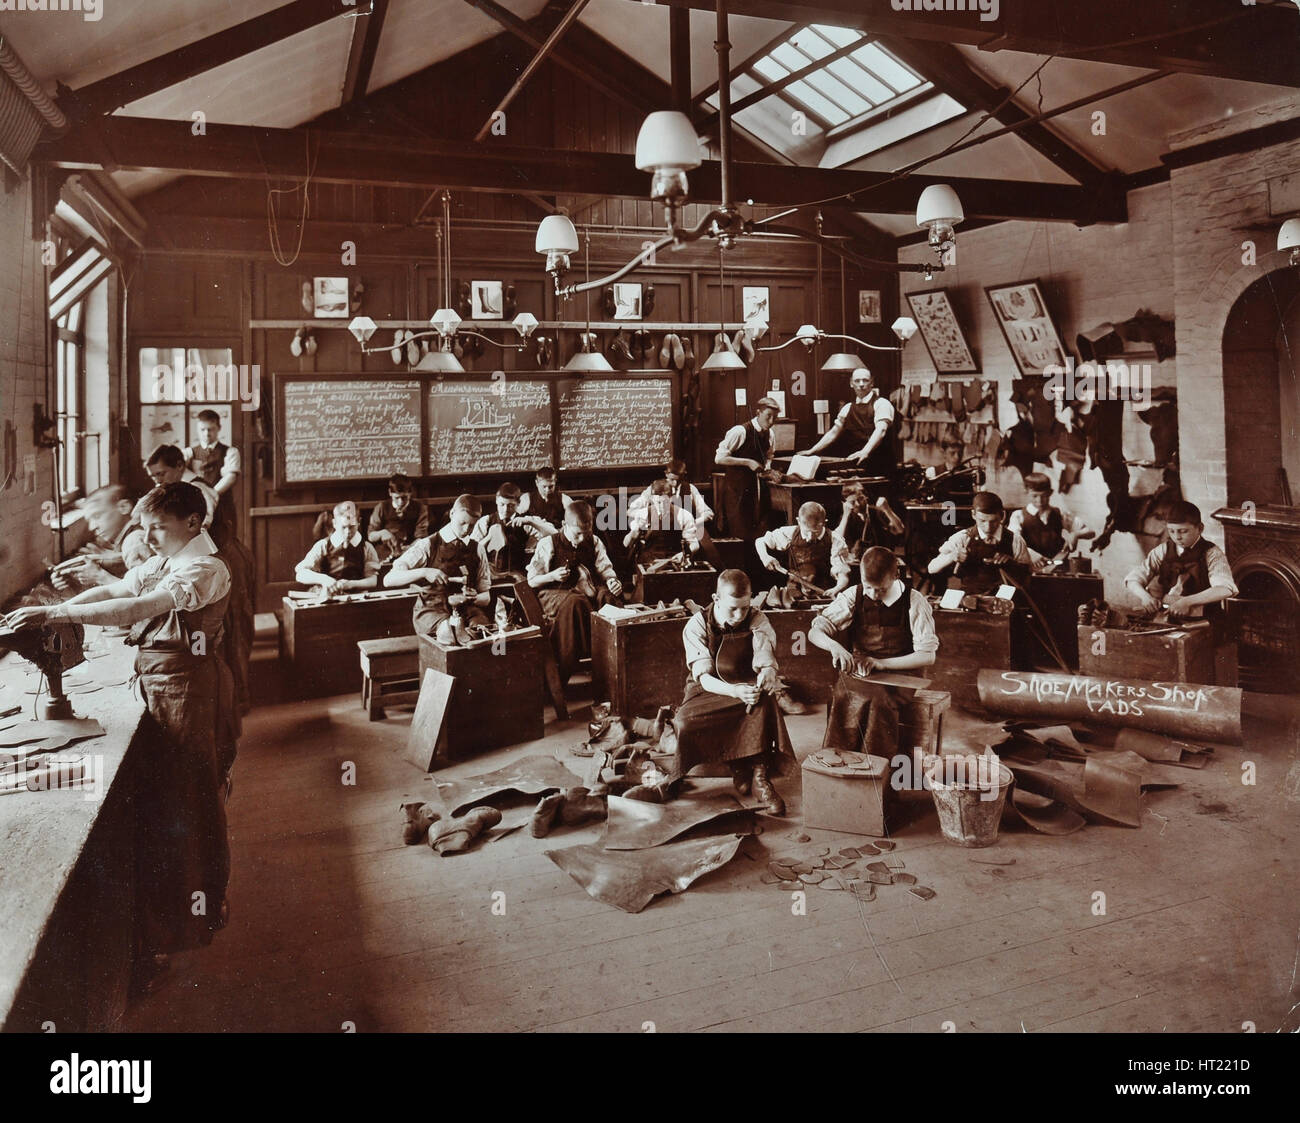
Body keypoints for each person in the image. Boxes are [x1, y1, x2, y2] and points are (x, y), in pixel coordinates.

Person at [4, 482, 237, 984]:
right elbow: (118, 591)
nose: (149, 538)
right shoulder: (167, 560)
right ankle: (170, 921)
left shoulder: (203, 567)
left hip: (188, 690)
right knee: (171, 803)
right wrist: (52, 608)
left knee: (190, 799)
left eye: (159, 528)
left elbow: (140, 608)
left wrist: (58, 612)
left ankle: (194, 917)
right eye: (146, 528)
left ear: (193, 524)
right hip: (162, 682)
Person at [668, 569, 797, 815]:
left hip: (745, 683)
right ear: (716, 599)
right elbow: (704, 678)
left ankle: (759, 777)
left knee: (765, 702)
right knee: (684, 721)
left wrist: (768, 671)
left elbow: (764, 651)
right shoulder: (696, 625)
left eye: (745, 607)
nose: (739, 615)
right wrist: (733, 691)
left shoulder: (757, 618)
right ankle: (737, 764)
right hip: (709, 688)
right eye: (732, 609)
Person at [810, 547, 939, 759]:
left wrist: (882, 664)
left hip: (903, 674)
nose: (873, 594)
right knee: (843, 695)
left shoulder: (914, 601)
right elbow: (816, 631)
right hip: (863, 670)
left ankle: (877, 774)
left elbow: (927, 656)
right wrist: (835, 646)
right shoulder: (855, 594)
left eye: (880, 589)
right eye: (868, 587)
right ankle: (841, 767)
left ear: (895, 576)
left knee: (879, 702)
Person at [527, 500, 623, 685]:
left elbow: (605, 570)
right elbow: (532, 580)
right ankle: (564, 672)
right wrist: (553, 576)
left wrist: (612, 581)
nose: (581, 539)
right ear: (564, 525)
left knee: (609, 598)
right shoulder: (549, 543)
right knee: (577, 603)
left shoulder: (594, 541)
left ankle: (610, 667)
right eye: (577, 534)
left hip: (587, 591)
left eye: (586, 533)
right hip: (553, 593)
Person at [386, 495, 491, 639]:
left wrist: (475, 597)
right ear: (452, 514)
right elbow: (389, 579)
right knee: (448, 633)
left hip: (465, 611)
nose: (466, 529)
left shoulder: (478, 549)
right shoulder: (428, 545)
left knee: (483, 633)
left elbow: (486, 597)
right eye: (463, 523)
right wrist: (424, 572)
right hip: (432, 611)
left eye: (472, 525)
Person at [1123, 500, 1237, 625]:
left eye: (1183, 531)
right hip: (1169, 619)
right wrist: (1145, 597)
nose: (1177, 537)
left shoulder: (1212, 553)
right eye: (1171, 531)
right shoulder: (1162, 550)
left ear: (1200, 528)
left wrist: (1186, 602)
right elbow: (1133, 579)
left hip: (1203, 621)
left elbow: (1225, 589)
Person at [798, 366, 900, 489]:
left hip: (882, 465)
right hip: (859, 465)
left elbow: (881, 430)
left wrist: (865, 452)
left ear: (872, 383)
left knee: (881, 503)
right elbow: (833, 432)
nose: (861, 384)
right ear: (851, 384)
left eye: (865, 380)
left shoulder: (882, 404)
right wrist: (812, 451)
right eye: (857, 381)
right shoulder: (847, 408)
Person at [928, 490, 1031, 594]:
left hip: (1004, 598)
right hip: (971, 597)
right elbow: (932, 568)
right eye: (982, 521)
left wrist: (1011, 563)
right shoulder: (963, 538)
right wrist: (952, 556)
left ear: (1002, 515)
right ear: (973, 514)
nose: (988, 528)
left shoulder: (1015, 540)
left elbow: (1027, 575)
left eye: (993, 521)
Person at [51, 484, 149, 590]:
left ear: (123, 507)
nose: (92, 527)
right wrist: (69, 578)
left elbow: (146, 592)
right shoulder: (126, 537)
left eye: (97, 516)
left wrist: (100, 576)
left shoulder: (134, 540)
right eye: (89, 521)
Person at [715, 397, 780, 546]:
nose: (771, 422)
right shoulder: (740, 431)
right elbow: (719, 458)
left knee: (759, 532)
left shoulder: (770, 434)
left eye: (774, 418)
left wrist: (768, 469)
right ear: (758, 413)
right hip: (736, 490)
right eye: (768, 416)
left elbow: (769, 456)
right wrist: (747, 462)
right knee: (740, 532)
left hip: (757, 490)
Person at [755, 501, 852, 596]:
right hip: (794, 588)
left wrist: (837, 588)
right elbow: (760, 541)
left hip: (825, 590)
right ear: (798, 521)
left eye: (816, 532)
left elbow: (842, 573)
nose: (810, 537)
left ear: (824, 523)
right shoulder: (790, 533)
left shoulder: (834, 539)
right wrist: (765, 557)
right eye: (806, 532)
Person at [1008, 472, 1094, 568]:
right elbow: (1013, 541)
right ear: (1026, 492)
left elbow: (1091, 532)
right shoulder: (1018, 516)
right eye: (1035, 496)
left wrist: (1075, 534)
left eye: (1044, 496)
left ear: (1050, 493)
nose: (1040, 500)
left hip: (1058, 568)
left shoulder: (1060, 513)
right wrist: (1030, 554)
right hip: (1030, 568)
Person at [294, 500, 381, 592]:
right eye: (343, 527)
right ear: (334, 523)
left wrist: (351, 584)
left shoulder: (366, 547)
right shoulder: (323, 545)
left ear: (359, 522)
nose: (348, 532)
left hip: (356, 596)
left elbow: (372, 580)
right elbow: (300, 575)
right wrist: (324, 579)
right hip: (326, 595)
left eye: (352, 526)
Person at [183, 409, 240, 529]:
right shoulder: (189, 453)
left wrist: (211, 495)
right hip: (196, 507)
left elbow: (230, 477)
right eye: (202, 430)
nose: (206, 434)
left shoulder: (230, 452)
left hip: (222, 507)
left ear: (219, 428)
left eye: (211, 429)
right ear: (197, 430)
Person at [624, 479, 702, 566]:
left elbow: (695, 544)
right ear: (653, 499)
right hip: (648, 563)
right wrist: (634, 532)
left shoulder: (683, 515)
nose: (661, 506)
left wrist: (684, 554)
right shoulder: (643, 514)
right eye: (658, 502)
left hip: (674, 561)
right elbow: (626, 544)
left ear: (671, 498)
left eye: (665, 502)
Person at [472, 483, 538, 583]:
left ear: (518, 504)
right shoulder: (486, 521)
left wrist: (531, 523)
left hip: (518, 576)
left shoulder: (526, 522)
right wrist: (489, 536)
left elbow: (551, 536)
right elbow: (472, 549)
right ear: (496, 501)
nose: (505, 510)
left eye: (511, 505)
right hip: (491, 575)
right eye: (502, 505)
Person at [836, 482, 904, 567]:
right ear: (846, 503)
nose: (857, 504)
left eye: (860, 499)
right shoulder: (847, 517)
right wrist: (845, 516)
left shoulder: (877, 512)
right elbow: (836, 542)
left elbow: (900, 529)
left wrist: (887, 510)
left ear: (866, 497)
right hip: (857, 564)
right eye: (852, 502)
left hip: (881, 561)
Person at [367, 473, 429, 561]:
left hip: (410, 551)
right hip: (385, 553)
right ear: (390, 493)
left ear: (410, 493)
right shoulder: (381, 507)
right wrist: (382, 533)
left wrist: (410, 548)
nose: (400, 502)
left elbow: (421, 537)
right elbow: (371, 536)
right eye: (396, 498)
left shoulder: (420, 508)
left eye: (404, 497)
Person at [517, 466, 573, 548]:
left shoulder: (564, 499)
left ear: (555, 482)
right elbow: (516, 520)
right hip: (533, 543)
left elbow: (574, 520)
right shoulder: (527, 498)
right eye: (544, 487)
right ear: (536, 483)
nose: (547, 490)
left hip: (556, 542)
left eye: (551, 487)